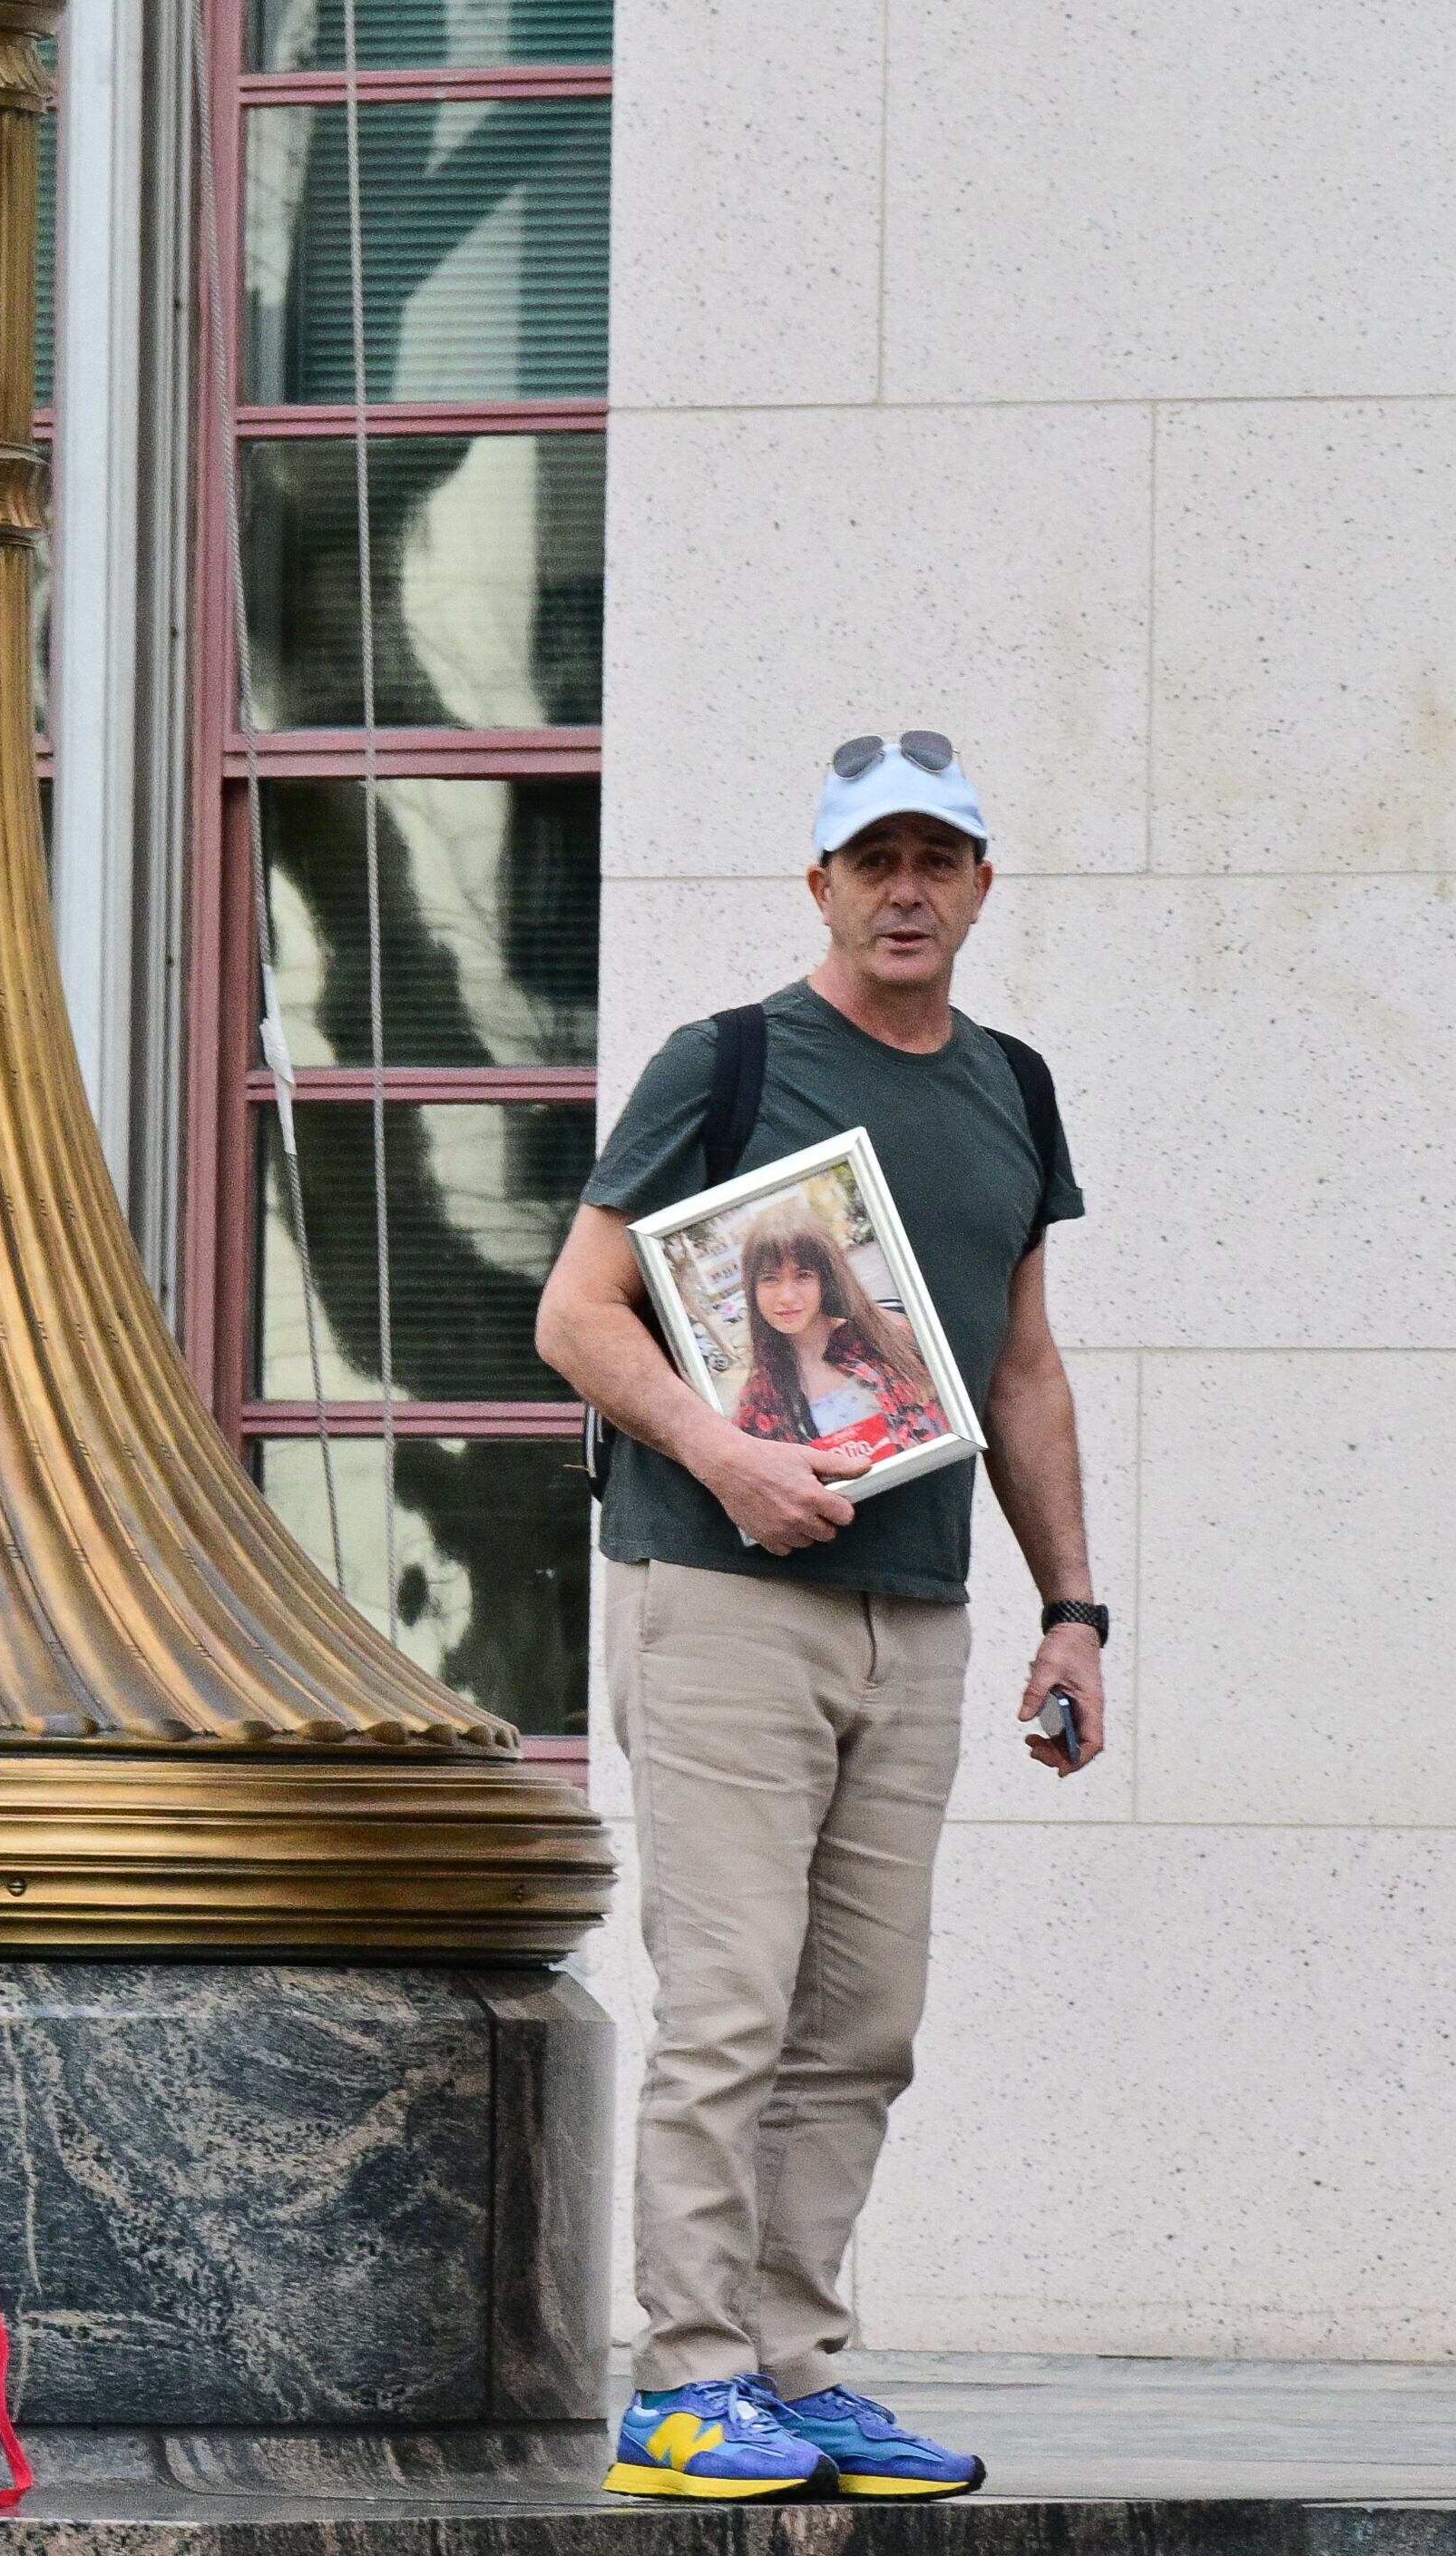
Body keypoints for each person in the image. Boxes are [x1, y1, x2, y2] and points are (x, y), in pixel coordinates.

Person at [534, 730, 1108, 2504]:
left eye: (940, 859)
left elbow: (1022, 1370)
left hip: (913, 1614)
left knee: (860, 2020)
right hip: (723, 1599)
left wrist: (1074, 1608)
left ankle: (791, 2363)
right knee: (730, 2007)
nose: (909, 890)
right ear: (823, 887)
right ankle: (686, 2381)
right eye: (877, 861)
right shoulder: (730, 1063)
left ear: (985, 886)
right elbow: (577, 1310)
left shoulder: (1012, 1085)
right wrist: (725, 1451)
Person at [725, 1199, 952, 1474]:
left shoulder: (893, 1337)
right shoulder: (758, 1398)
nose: (786, 1297)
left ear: (826, 1278)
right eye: (770, 1278)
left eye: (803, 1275)